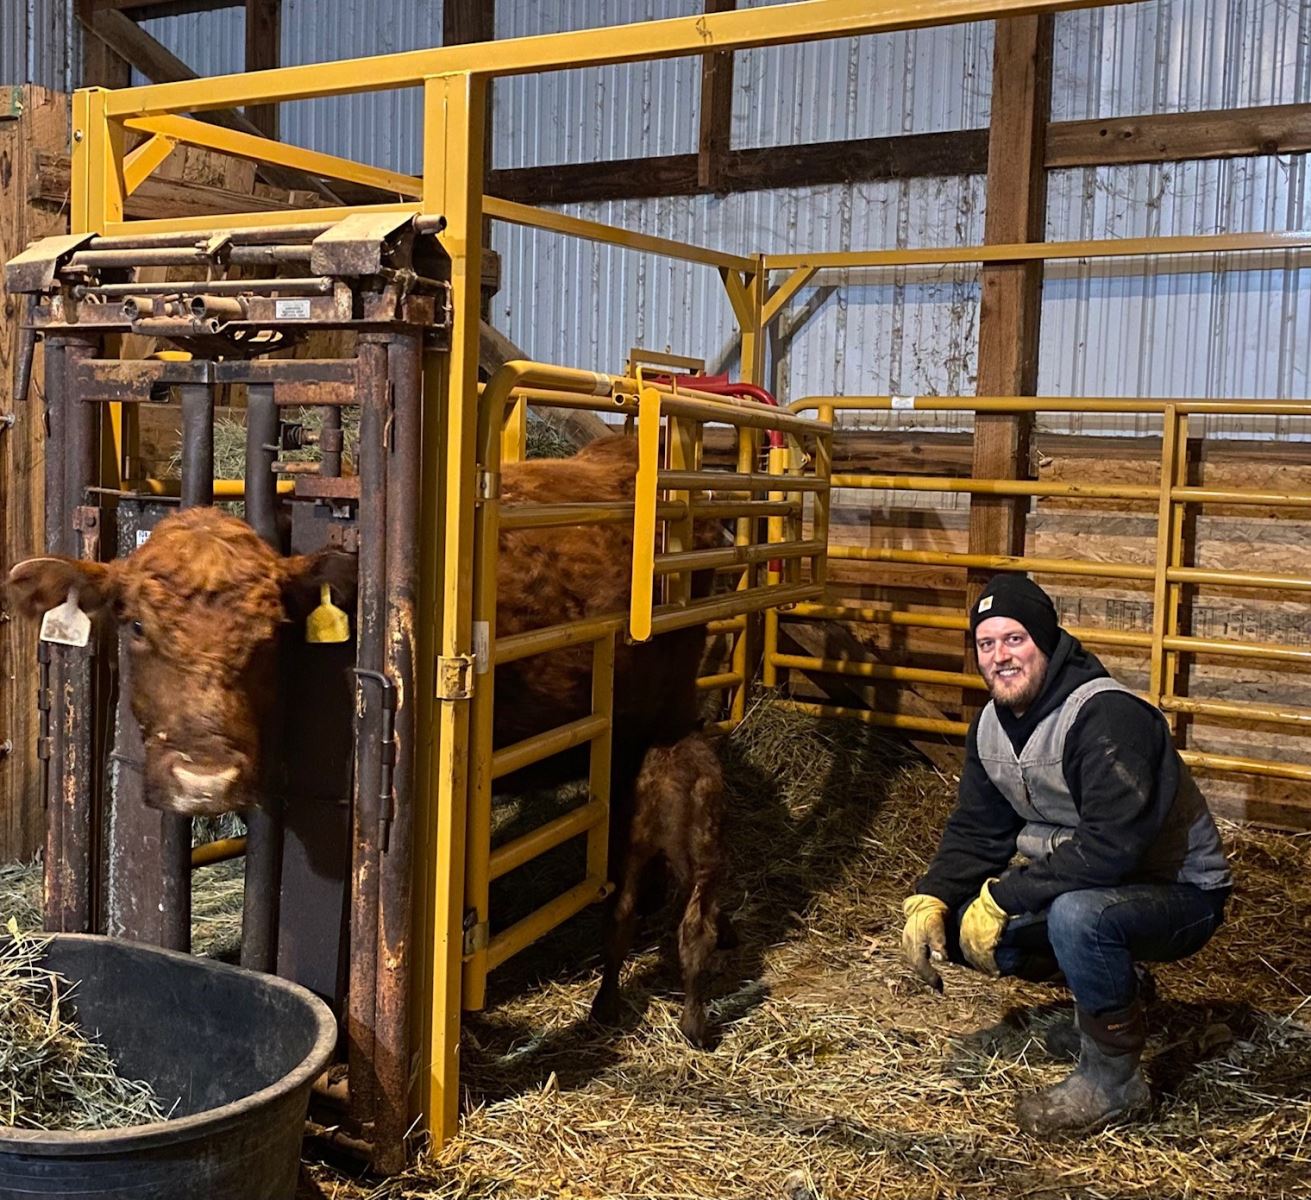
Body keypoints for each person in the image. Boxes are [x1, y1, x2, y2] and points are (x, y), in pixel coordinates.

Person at [900, 573, 1232, 1136]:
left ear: (1046, 642)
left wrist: (1006, 895)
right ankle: (1111, 998)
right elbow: (978, 831)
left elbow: (1112, 847)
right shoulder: (990, 727)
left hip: (1179, 893)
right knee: (956, 925)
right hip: (1094, 886)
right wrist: (933, 895)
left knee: (1079, 917)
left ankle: (1115, 1080)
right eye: (986, 644)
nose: (1000, 657)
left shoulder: (1105, 716)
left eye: (1014, 640)